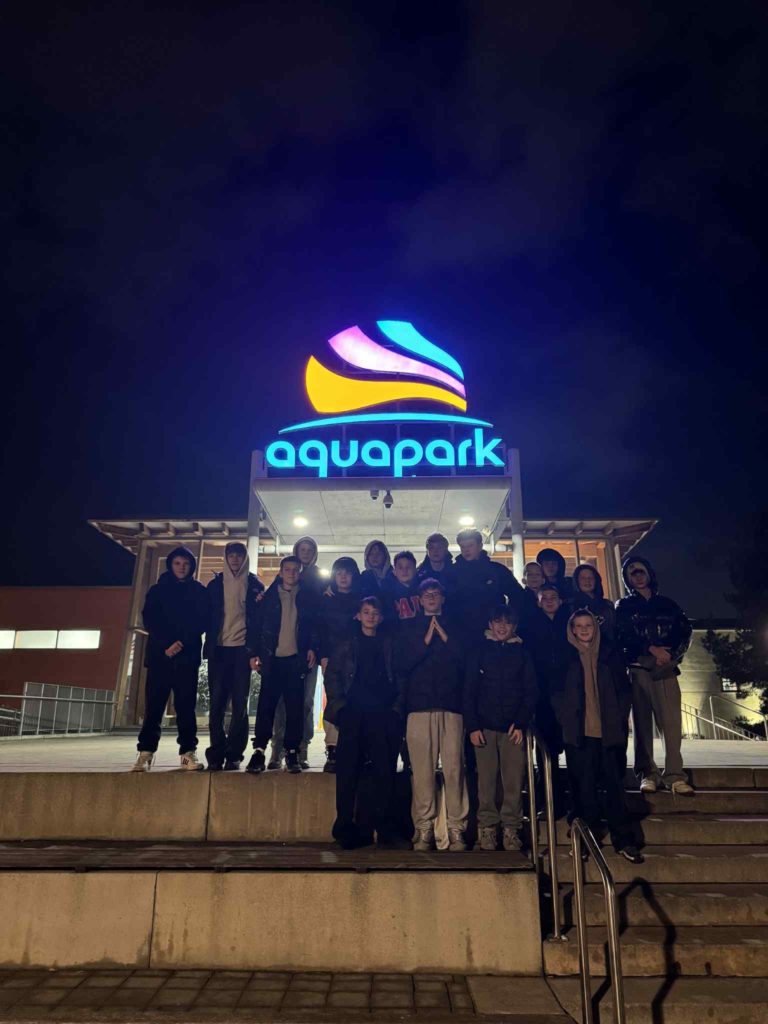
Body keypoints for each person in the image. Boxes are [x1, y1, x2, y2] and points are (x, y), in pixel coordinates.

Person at [555, 610, 643, 863]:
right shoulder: (565, 656)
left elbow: (624, 689)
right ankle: (585, 839)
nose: (584, 629)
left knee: (614, 787)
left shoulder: (609, 654)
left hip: (608, 732)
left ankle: (623, 839)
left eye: (588, 625)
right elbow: (556, 691)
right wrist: (565, 717)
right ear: (572, 629)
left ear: (596, 627)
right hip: (579, 733)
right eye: (579, 625)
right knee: (583, 790)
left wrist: (619, 716)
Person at [324, 596, 406, 849]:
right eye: (366, 612)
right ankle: (345, 829)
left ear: (381, 617)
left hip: (382, 716)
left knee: (384, 773)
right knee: (348, 774)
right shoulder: (346, 644)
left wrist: (395, 711)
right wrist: (340, 708)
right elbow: (332, 676)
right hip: (353, 714)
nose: (371, 616)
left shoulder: (390, 644)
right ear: (358, 615)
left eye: (375, 613)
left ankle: (384, 831)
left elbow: (400, 678)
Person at [397, 579, 468, 851]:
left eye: (436, 593)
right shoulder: (408, 627)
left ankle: (456, 827)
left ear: (443, 598)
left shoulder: (456, 626)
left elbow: (464, 661)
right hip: (418, 707)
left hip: (451, 706)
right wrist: (425, 641)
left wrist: (445, 637)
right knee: (422, 771)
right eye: (426, 594)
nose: (431, 597)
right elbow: (403, 664)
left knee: (454, 769)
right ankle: (424, 827)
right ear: (419, 599)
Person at [615, 556, 693, 795]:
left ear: (649, 573)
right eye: (632, 573)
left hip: (666, 668)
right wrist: (650, 650)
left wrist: (670, 655)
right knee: (641, 725)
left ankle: (675, 774)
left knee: (671, 724)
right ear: (627, 579)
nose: (638, 576)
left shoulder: (668, 605)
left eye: (641, 571)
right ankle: (647, 773)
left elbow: (684, 631)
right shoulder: (624, 606)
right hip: (638, 668)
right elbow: (624, 635)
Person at [464, 605, 537, 852]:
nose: (502, 626)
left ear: (514, 626)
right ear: (490, 624)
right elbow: (469, 691)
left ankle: (511, 829)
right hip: (484, 727)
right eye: (497, 621)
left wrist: (522, 721)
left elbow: (530, 690)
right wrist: (473, 726)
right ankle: (487, 828)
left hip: (513, 728)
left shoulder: (523, 653)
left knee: (513, 781)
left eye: (507, 622)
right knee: (486, 782)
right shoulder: (479, 652)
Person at [132, 547, 208, 771]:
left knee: (186, 708)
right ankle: (145, 754)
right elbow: (150, 619)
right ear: (170, 565)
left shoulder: (198, 591)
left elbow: (202, 620)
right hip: (160, 657)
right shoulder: (157, 590)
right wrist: (167, 643)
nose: (182, 567)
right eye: (177, 563)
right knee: (154, 708)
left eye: (186, 563)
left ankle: (187, 754)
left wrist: (180, 642)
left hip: (187, 658)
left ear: (191, 566)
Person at [246, 556, 317, 774]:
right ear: (280, 572)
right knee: (266, 708)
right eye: (288, 569)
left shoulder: (307, 597)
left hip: (296, 660)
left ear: (300, 572)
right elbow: (257, 626)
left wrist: (313, 647)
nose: (292, 573)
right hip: (272, 660)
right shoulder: (268, 597)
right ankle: (259, 751)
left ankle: (292, 752)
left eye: (296, 569)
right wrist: (253, 653)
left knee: (295, 709)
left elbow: (315, 625)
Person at [204, 542, 264, 771]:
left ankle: (235, 753)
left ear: (245, 558)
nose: (235, 559)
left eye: (239, 555)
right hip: (219, 650)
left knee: (240, 704)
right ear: (226, 558)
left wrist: (254, 651)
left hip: (242, 651)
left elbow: (259, 623)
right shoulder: (215, 585)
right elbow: (206, 616)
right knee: (217, 704)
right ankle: (216, 753)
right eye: (231, 555)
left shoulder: (255, 585)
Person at [268, 536, 323, 770]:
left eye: (310, 549)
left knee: (306, 701)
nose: (306, 552)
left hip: (306, 653)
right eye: (303, 549)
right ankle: (277, 748)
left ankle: (301, 747)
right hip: (282, 655)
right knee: (281, 702)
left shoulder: (320, 580)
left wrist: (315, 648)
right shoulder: (281, 579)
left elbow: (319, 619)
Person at [518, 583, 572, 808]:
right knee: (546, 749)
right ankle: (551, 800)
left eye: (553, 597)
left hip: (567, 691)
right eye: (544, 597)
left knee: (571, 744)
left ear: (560, 601)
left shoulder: (570, 623)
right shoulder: (529, 626)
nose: (549, 601)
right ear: (538, 602)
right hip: (541, 693)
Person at [317, 556, 362, 774]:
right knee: (334, 701)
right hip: (333, 659)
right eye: (339, 573)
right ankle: (333, 748)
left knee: (356, 701)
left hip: (357, 658)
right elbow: (320, 630)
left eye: (348, 573)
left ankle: (356, 749)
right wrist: (323, 655)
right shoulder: (325, 600)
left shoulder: (362, 600)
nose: (343, 577)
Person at [449, 529, 524, 641]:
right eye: (463, 547)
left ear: (480, 546)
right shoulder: (453, 573)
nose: (466, 550)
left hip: (493, 633)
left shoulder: (497, 570)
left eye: (470, 545)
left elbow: (518, 596)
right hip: (461, 632)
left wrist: (506, 621)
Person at [571, 564, 616, 642]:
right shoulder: (571, 606)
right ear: (577, 581)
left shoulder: (608, 604)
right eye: (583, 578)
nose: (587, 581)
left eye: (591, 578)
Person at [381, 551, 422, 623]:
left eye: (408, 567)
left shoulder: (424, 590)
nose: (404, 571)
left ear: (415, 570)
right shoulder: (388, 594)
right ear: (394, 572)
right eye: (400, 568)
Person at [520, 561, 545, 627]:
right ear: (523, 580)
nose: (534, 577)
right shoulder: (519, 598)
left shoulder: (547, 597)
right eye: (530, 574)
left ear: (543, 580)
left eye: (537, 574)